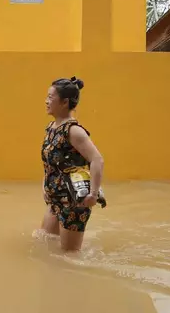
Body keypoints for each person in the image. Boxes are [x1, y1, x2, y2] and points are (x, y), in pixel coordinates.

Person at [40, 77, 105, 252]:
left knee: (69, 256)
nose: (46, 101)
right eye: (47, 96)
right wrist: (45, 188)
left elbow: (97, 159)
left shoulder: (74, 131)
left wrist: (93, 194)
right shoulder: (51, 128)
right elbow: (50, 165)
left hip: (73, 204)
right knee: (44, 241)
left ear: (64, 102)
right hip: (55, 201)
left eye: (51, 97)